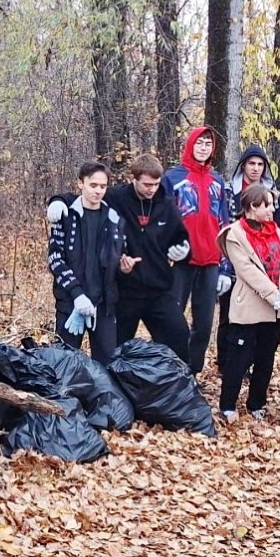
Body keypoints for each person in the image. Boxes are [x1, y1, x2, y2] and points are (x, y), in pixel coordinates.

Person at [47, 155, 192, 362]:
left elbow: (180, 236)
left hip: (156, 289)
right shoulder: (116, 199)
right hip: (124, 293)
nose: (152, 189)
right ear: (134, 179)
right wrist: (57, 201)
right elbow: (85, 198)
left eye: (156, 184)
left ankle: (180, 385)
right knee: (108, 354)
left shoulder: (166, 205)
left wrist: (184, 250)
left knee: (178, 335)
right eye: (147, 184)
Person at [216, 184, 280, 422]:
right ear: (253, 206)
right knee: (238, 359)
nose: (273, 209)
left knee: (266, 358)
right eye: (268, 204)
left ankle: (256, 403)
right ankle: (228, 404)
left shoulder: (278, 234)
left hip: (275, 311)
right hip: (249, 308)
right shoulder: (234, 234)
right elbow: (247, 270)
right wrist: (274, 294)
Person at [163, 127, 232, 376]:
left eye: (208, 144)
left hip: (211, 262)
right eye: (199, 143)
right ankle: (167, 372)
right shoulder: (173, 178)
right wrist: (168, 248)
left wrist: (225, 268)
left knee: (203, 325)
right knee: (172, 320)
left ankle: (192, 373)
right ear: (190, 144)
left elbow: (225, 224)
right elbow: (162, 218)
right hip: (181, 261)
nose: (203, 148)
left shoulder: (218, 181)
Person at [47, 162, 127, 365]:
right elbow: (55, 260)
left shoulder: (115, 220)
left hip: (104, 308)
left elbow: (118, 258)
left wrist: (124, 267)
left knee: (107, 368)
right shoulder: (65, 215)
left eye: (103, 186)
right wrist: (77, 295)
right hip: (70, 304)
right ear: (81, 183)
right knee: (63, 365)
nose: (98, 191)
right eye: (93, 185)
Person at [218, 143, 280, 371]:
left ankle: (250, 363)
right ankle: (226, 363)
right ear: (243, 166)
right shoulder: (230, 191)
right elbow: (224, 223)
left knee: (260, 318)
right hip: (234, 258)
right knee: (229, 316)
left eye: (260, 164)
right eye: (251, 164)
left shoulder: (274, 194)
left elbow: (279, 228)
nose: (255, 168)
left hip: (265, 262)